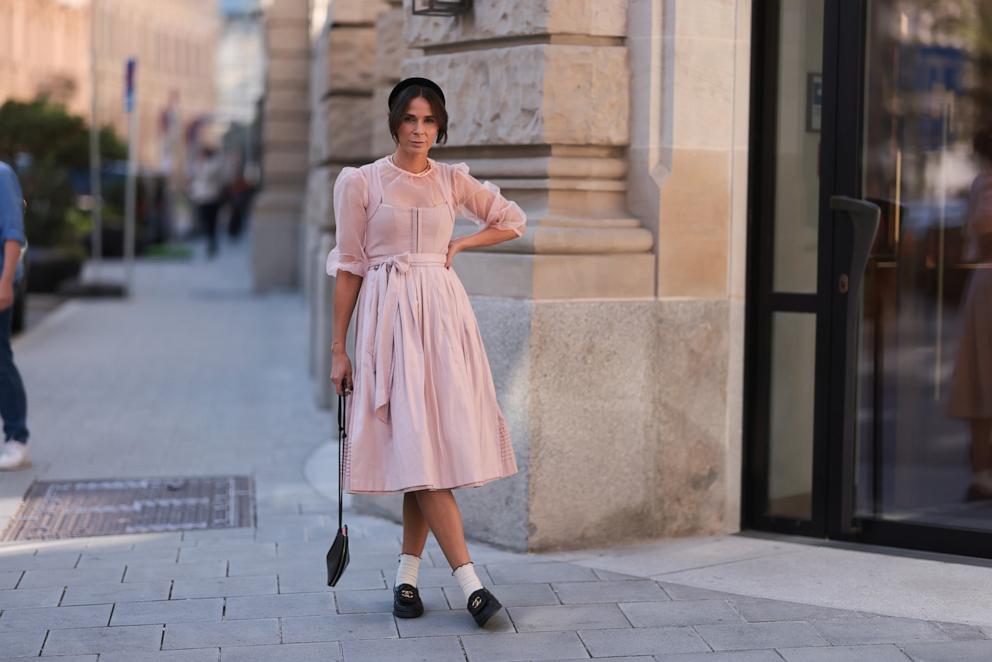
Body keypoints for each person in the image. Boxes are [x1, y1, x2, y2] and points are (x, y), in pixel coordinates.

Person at [327, 77, 525, 627]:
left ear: (440, 126)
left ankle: (407, 580)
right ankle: (472, 584)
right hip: (387, 322)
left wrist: (461, 243)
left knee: (426, 452)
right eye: (410, 120)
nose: (419, 131)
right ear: (395, 123)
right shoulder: (361, 183)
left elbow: (511, 219)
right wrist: (338, 349)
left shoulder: (452, 181)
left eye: (429, 121)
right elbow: (349, 268)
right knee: (420, 447)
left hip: (442, 321)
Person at [949, 127, 992, 500]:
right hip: (987, 283)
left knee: (981, 379)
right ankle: (983, 473)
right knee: (981, 379)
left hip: (984, 283)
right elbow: (982, 223)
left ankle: (983, 472)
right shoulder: (986, 184)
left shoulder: (983, 181)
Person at [0, 161, 30, 470]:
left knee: (0, 361)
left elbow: (12, 234)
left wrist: (6, 281)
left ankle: (17, 438)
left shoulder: (2, 175)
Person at [189, 145, 225, 258]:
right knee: (205, 221)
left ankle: (212, 242)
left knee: (211, 221)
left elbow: (208, 176)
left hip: (211, 198)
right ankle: (211, 241)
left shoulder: (214, 164)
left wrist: (200, 166)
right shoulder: (199, 165)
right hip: (201, 198)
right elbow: (194, 180)